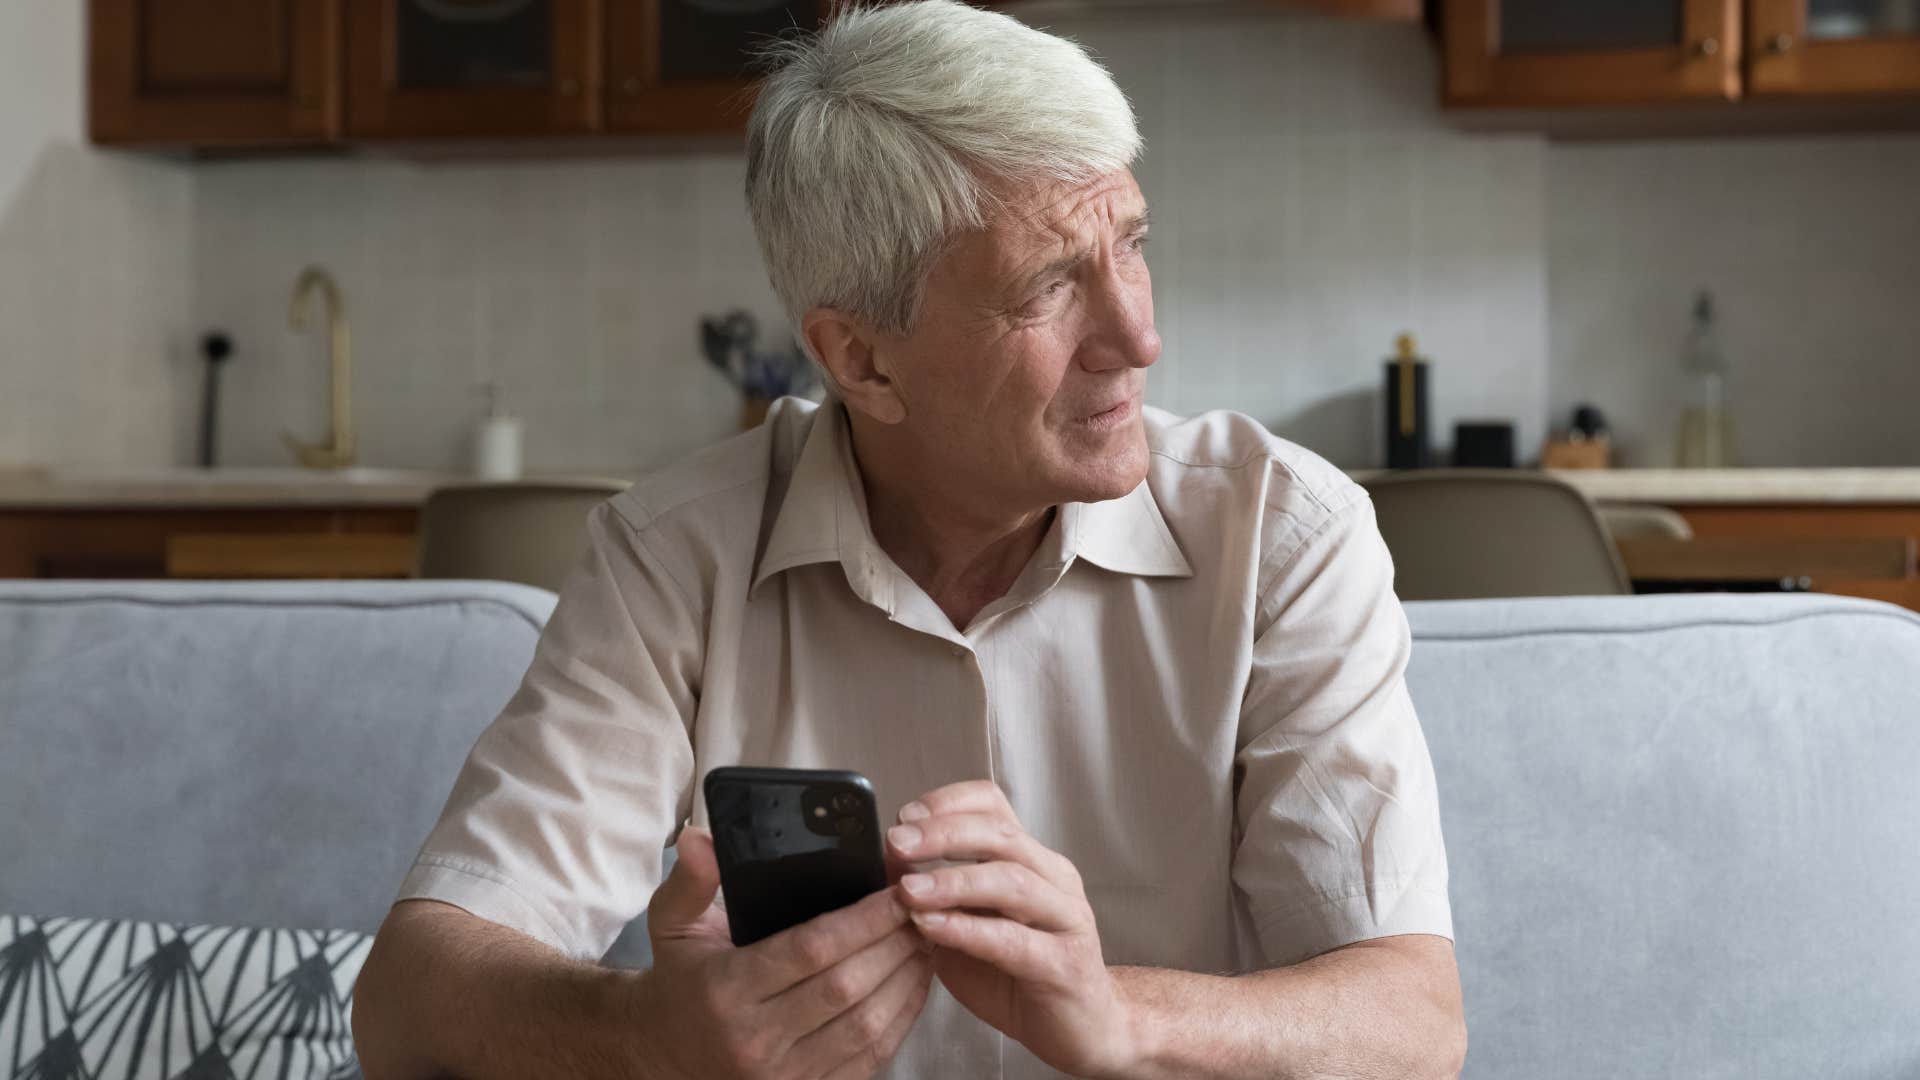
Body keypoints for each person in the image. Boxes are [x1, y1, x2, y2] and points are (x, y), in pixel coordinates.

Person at [351, 3, 1465, 1077]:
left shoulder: (1282, 534)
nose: (1138, 333)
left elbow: (1414, 1028)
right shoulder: (673, 557)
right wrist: (647, 1037)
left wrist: (1118, 1018)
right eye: (1048, 285)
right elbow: (409, 1000)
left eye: (1130, 244)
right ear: (861, 360)